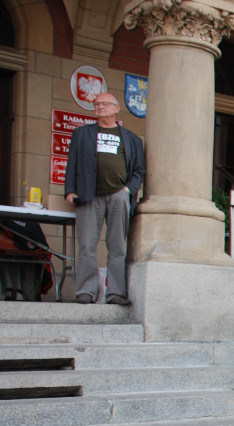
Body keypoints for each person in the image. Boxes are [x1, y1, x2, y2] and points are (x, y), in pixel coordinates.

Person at [64, 92, 145, 305]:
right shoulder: (82, 134)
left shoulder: (131, 138)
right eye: (97, 104)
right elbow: (71, 164)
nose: (100, 106)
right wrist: (70, 190)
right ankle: (86, 292)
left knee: (118, 246)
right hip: (88, 196)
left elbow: (139, 170)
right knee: (87, 245)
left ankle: (116, 293)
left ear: (116, 108)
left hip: (119, 195)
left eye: (105, 103)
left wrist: (127, 191)